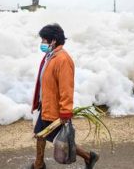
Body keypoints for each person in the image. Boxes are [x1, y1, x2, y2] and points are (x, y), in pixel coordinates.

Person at [29, 23, 99, 169]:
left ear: (53, 40)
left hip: (55, 109)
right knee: (40, 134)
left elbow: (66, 88)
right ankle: (39, 164)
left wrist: (65, 111)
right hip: (46, 105)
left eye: (44, 40)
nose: (42, 43)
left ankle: (88, 156)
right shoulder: (51, 56)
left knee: (61, 141)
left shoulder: (63, 59)